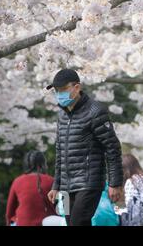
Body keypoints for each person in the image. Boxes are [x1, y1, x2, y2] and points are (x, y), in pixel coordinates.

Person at [46, 68, 124, 226]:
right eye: (56, 91)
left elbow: (112, 147)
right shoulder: (61, 116)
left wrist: (115, 183)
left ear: (77, 87)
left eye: (63, 90)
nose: (59, 94)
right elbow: (60, 153)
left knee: (78, 222)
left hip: (88, 182)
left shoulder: (95, 111)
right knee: (71, 224)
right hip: (66, 186)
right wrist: (56, 185)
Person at [5, 150, 56, 226]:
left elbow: (9, 212)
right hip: (47, 222)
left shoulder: (17, 181)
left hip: (23, 223)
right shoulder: (51, 181)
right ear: (43, 164)